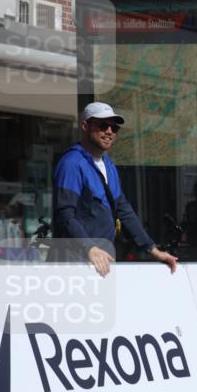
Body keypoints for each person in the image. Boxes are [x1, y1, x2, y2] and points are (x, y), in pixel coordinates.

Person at [52, 102, 177, 277]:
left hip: (102, 261)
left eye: (114, 127)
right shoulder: (72, 163)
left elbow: (123, 210)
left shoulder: (108, 164)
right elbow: (65, 214)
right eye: (103, 125)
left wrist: (152, 249)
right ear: (85, 126)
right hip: (76, 265)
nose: (109, 131)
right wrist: (90, 249)